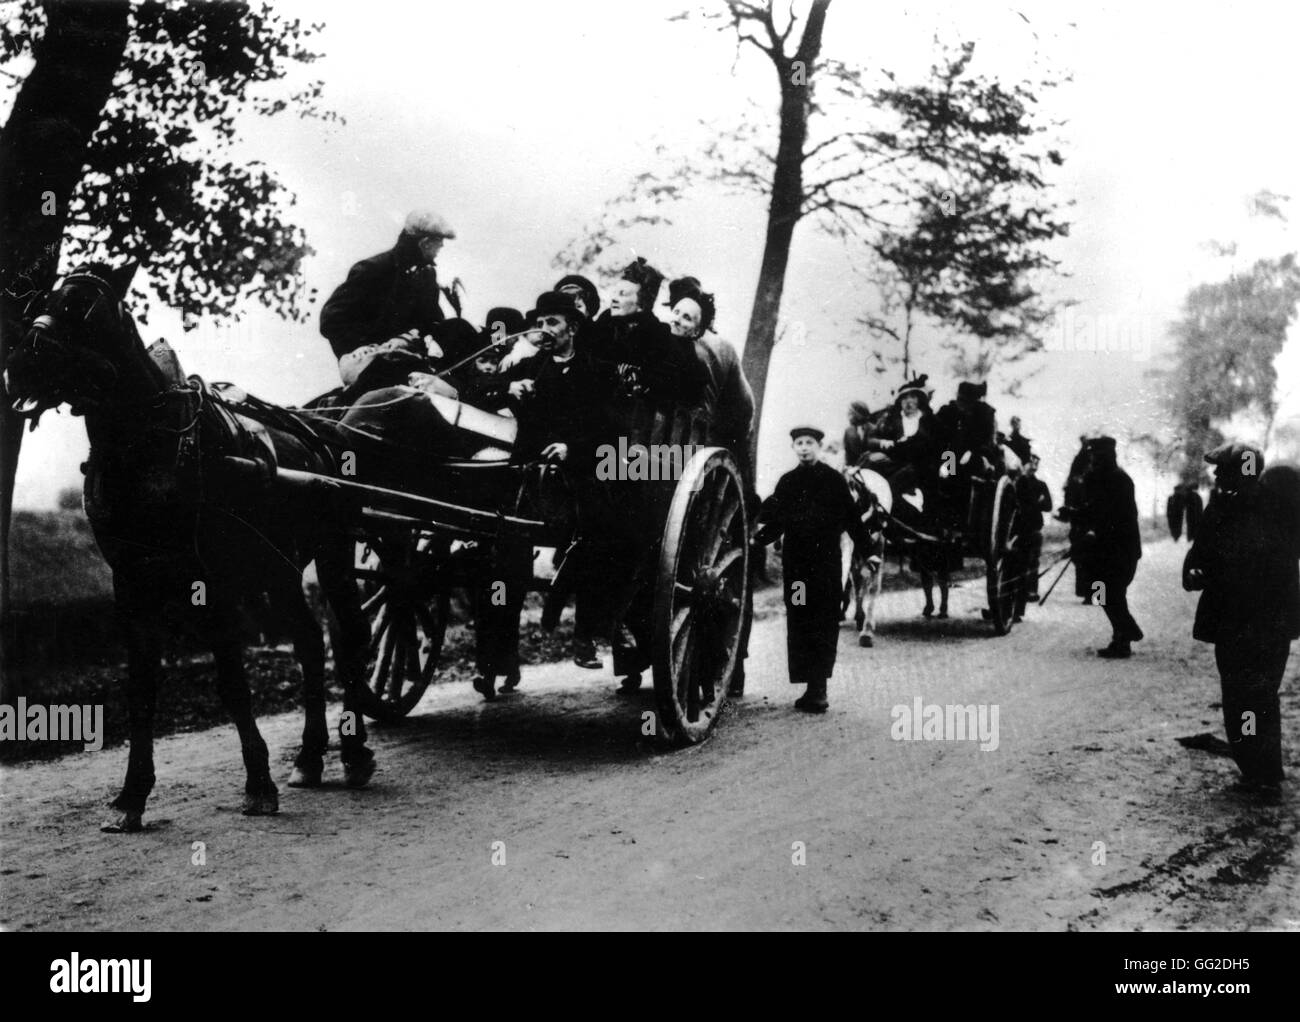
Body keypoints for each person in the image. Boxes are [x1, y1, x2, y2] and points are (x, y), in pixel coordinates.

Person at [1183, 442, 1298, 801]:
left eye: (1224, 469)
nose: (1216, 475)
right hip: (1234, 622)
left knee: (1258, 694)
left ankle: (1266, 777)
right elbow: (1199, 552)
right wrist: (1194, 571)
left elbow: (1274, 562)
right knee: (1236, 696)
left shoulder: (1277, 510)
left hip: (1265, 622)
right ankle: (1253, 770)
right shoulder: (1221, 506)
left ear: (1242, 471)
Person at [754, 427, 872, 713]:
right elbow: (774, 520)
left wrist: (868, 553)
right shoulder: (788, 482)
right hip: (796, 569)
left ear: (819, 447)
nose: (804, 448)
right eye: (799, 443)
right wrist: (754, 540)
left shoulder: (833, 480)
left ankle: (819, 689)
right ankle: (809, 684)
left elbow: (853, 518)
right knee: (799, 618)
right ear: (794, 447)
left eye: (809, 443)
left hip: (826, 566)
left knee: (823, 619)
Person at [320, 209, 459, 360]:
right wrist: (361, 351)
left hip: (407, 361)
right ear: (425, 243)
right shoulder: (372, 270)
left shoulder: (427, 275)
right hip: (368, 367)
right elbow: (332, 319)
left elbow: (432, 321)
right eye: (439, 242)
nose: (442, 247)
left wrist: (407, 340)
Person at [1075, 436, 1143, 658]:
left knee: (1113, 593)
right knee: (1101, 592)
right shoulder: (1094, 478)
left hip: (1120, 549)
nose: (1095, 459)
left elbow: (1121, 517)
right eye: (1093, 455)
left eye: (1099, 455)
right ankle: (1126, 630)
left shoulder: (1121, 480)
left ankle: (1123, 638)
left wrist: (1096, 531)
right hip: (1101, 550)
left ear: (1109, 456)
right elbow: (1092, 509)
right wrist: (1075, 515)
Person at [1013, 453, 1053, 620]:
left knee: (1031, 562)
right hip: (1018, 530)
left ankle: (1031, 592)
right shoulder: (1019, 482)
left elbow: (1049, 505)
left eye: (1036, 463)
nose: (1033, 466)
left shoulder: (1040, 484)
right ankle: (1017, 604)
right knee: (1019, 566)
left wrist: (1035, 504)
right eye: (1031, 462)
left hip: (1033, 529)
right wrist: (1037, 502)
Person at [843, 401, 874, 469]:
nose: (848, 415)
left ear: (859, 415)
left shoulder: (873, 429)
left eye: (850, 413)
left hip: (873, 469)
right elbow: (848, 453)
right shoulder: (848, 432)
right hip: (856, 470)